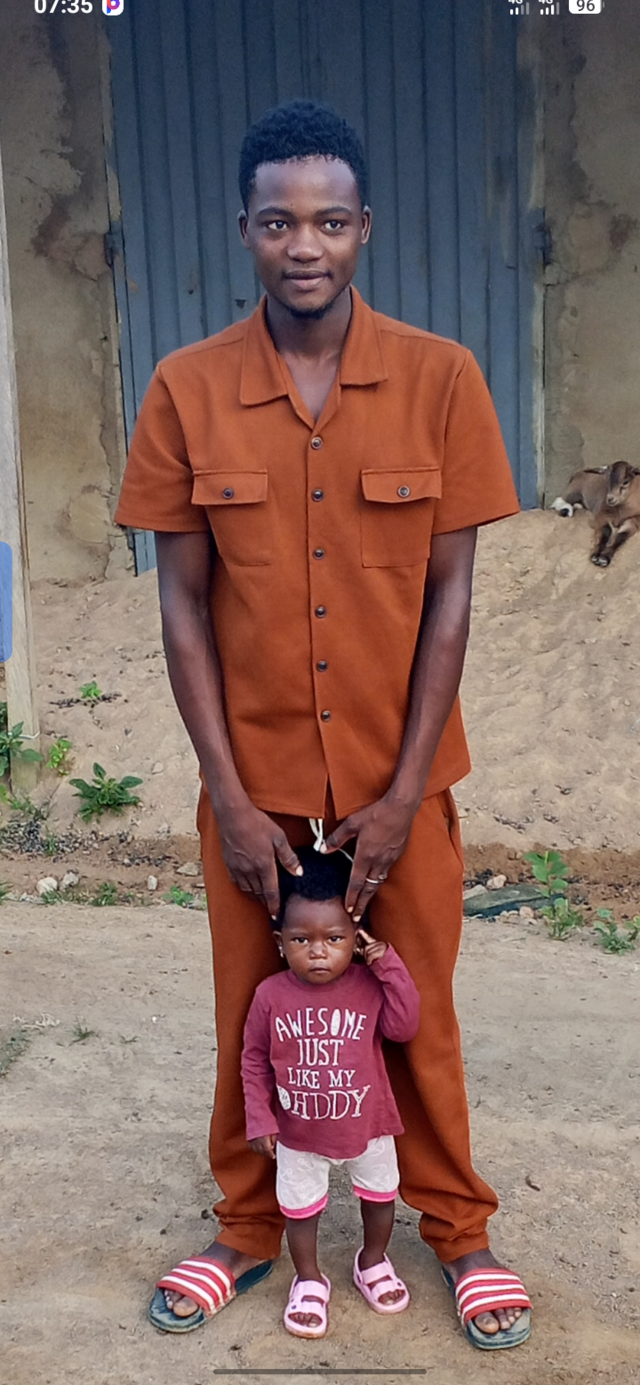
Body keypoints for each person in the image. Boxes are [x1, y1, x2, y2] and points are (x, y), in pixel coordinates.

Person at [116, 98, 533, 1350]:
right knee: (254, 1011)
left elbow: (449, 598)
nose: (305, 244)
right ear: (244, 228)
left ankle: (458, 1230)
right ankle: (249, 1227)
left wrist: (404, 794)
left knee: (418, 1013)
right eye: (279, 221)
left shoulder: (441, 379)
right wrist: (230, 797)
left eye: (330, 221)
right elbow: (182, 610)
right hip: (254, 789)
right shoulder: (186, 389)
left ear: (364, 229)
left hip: (398, 783)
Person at [241, 846, 420, 1337]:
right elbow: (254, 1059)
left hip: (369, 1124)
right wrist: (260, 1118)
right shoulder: (270, 995)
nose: (318, 951)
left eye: (335, 938)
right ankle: (308, 1279)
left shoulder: (367, 985)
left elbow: (404, 1027)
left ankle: (373, 1261)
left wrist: (387, 965)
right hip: (297, 1133)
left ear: (355, 938)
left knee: (380, 1196)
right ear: (280, 944)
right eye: (302, 939)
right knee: (300, 1209)